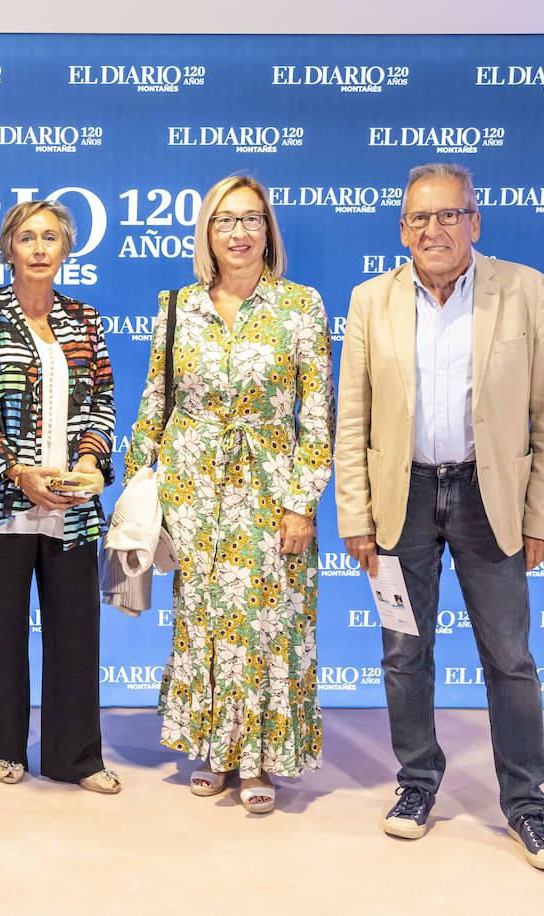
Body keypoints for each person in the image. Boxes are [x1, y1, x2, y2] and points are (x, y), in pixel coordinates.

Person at [335, 162, 544, 870]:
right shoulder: (370, 299)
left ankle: (529, 808)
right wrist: (355, 513)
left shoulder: (526, 291)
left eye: (449, 215)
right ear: (401, 229)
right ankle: (416, 785)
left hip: (487, 500)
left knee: (509, 657)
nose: (433, 230)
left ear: (475, 220)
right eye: (419, 218)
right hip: (399, 500)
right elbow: (353, 419)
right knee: (405, 652)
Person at [124, 175, 334, 814]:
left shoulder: (301, 305)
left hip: (269, 490)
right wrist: (139, 490)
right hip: (190, 487)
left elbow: (318, 414)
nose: (239, 232)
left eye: (252, 219)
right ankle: (213, 752)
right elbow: (156, 402)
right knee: (204, 622)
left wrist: (303, 501)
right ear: (206, 232)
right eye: (225, 220)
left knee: (267, 624)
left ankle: (260, 760)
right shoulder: (175, 306)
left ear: (269, 229)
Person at [0, 200, 121, 794]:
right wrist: (21, 474)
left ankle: (77, 757)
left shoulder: (85, 319)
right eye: (28, 238)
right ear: (9, 248)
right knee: (2, 632)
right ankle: (3, 746)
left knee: (76, 632)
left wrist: (90, 461)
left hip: (72, 508)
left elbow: (102, 400)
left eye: (52, 237)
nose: (41, 248)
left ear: (67, 249)